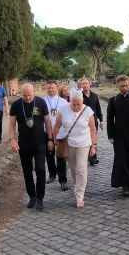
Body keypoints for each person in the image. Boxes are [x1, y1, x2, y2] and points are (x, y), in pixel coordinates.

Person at [9, 83, 54, 211]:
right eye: (25, 95)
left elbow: (47, 122)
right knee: (27, 170)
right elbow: (11, 124)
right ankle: (32, 196)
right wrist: (12, 140)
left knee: (40, 169)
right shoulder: (16, 105)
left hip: (40, 142)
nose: (27, 97)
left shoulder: (41, 102)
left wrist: (50, 139)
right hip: (24, 143)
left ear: (34, 92)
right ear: (21, 93)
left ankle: (40, 197)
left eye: (29, 95)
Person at [53, 92, 97, 208]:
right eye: (74, 104)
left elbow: (93, 129)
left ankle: (80, 195)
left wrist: (93, 145)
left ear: (82, 102)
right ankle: (76, 185)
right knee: (73, 168)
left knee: (81, 168)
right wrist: (55, 140)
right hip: (69, 143)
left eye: (79, 104)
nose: (77, 107)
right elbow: (56, 126)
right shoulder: (63, 109)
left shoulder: (87, 110)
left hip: (84, 143)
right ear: (70, 101)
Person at [43, 81, 69, 190]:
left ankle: (63, 180)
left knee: (61, 156)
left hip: (60, 133)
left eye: (53, 88)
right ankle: (52, 174)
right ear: (46, 89)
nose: (51, 90)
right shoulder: (42, 101)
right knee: (49, 155)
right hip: (47, 132)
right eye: (49, 88)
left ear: (56, 88)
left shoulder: (63, 101)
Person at [81, 78, 104, 166]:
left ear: (89, 84)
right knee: (86, 140)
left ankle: (93, 157)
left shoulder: (94, 95)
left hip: (94, 121)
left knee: (93, 139)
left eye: (86, 83)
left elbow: (98, 108)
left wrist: (101, 120)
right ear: (81, 85)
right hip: (83, 122)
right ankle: (86, 156)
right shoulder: (80, 96)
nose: (85, 85)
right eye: (83, 84)